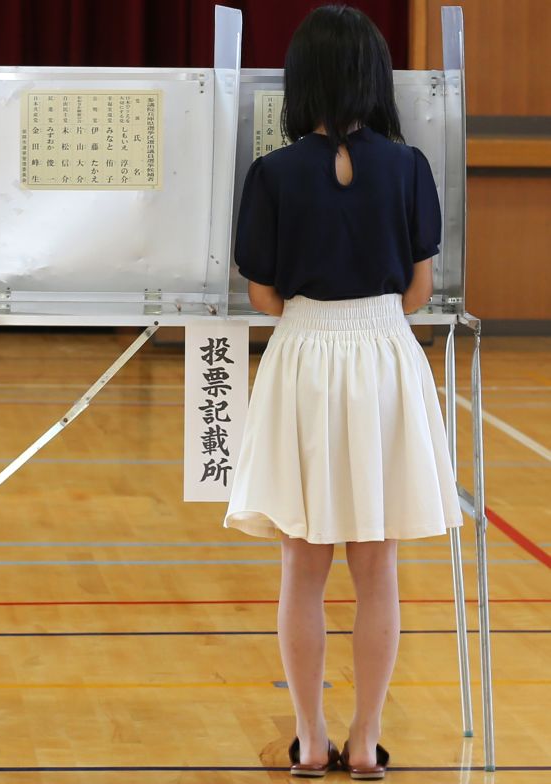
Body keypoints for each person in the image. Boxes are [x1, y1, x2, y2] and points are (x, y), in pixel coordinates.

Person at [223, 5, 463, 780]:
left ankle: (311, 737)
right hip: (385, 356)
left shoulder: (274, 172)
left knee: (303, 562)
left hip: (304, 355)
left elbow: (262, 297)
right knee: (377, 564)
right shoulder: (409, 166)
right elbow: (421, 290)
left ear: (299, 82)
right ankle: (365, 740)